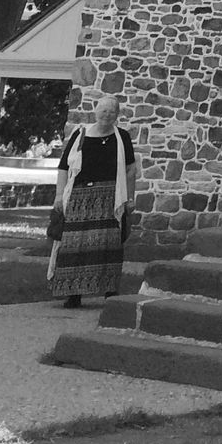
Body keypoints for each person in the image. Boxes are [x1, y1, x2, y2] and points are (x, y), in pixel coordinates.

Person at [48, 94, 137, 308]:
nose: (107, 115)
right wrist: (59, 195)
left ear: (117, 115)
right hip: (79, 197)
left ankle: (109, 292)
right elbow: (64, 167)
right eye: (103, 110)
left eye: (112, 112)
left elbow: (130, 170)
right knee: (74, 246)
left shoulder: (122, 137)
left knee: (109, 245)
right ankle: (74, 294)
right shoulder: (81, 135)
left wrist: (130, 198)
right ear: (96, 112)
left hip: (110, 197)